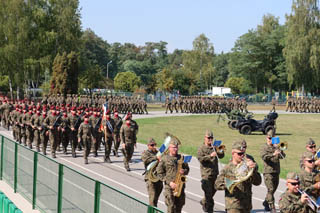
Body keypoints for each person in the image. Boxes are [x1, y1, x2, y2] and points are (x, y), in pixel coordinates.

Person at [215, 140, 261, 213]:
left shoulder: (246, 166)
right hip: (234, 206)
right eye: (239, 154)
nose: (242, 156)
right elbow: (217, 185)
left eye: (243, 153)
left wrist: (253, 170)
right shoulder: (227, 168)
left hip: (247, 205)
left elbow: (258, 182)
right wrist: (231, 183)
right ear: (233, 153)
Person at [156, 137, 189, 213]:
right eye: (173, 147)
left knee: (179, 208)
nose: (175, 149)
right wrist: (169, 182)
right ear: (170, 148)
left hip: (179, 186)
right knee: (171, 208)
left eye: (176, 147)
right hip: (169, 187)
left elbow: (187, 169)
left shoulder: (181, 158)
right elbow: (159, 173)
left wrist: (184, 171)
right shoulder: (165, 158)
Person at [197, 130, 224, 213]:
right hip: (206, 175)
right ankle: (209, 209)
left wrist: (220, 150)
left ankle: (204, 201)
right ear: (205, 138)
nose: (210, 139)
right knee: (209, 196)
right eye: (208, 138)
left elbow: (222, 156)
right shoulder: (201, 148)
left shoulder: (214, 147)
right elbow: (200, 159)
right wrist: (210, 156)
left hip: (215, 174)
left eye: (211, 138)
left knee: (213, 191)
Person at [261, 131, 285, 213]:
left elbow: (283, 157)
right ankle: (272, 208)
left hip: (276, 171)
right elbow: (264, 157)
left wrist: (279, 150)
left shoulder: (276, 147)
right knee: (270, 189)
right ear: (266, 138)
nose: (270, 140)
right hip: (268, 171)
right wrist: (273, 154)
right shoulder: (264, 147)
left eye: (272, 138)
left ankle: (266, 202)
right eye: (269, 138)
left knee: (273, 190)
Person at [141, 138, 163, 207]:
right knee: (152, 199)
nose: (154, 146)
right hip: (150, 178)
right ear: (148, 145)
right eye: (152, 145)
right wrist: (156, 158)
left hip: (158, 178)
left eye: (155, 145)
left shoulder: (158, 153)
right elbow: (146, 160)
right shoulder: (145, 153)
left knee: (155, 200)